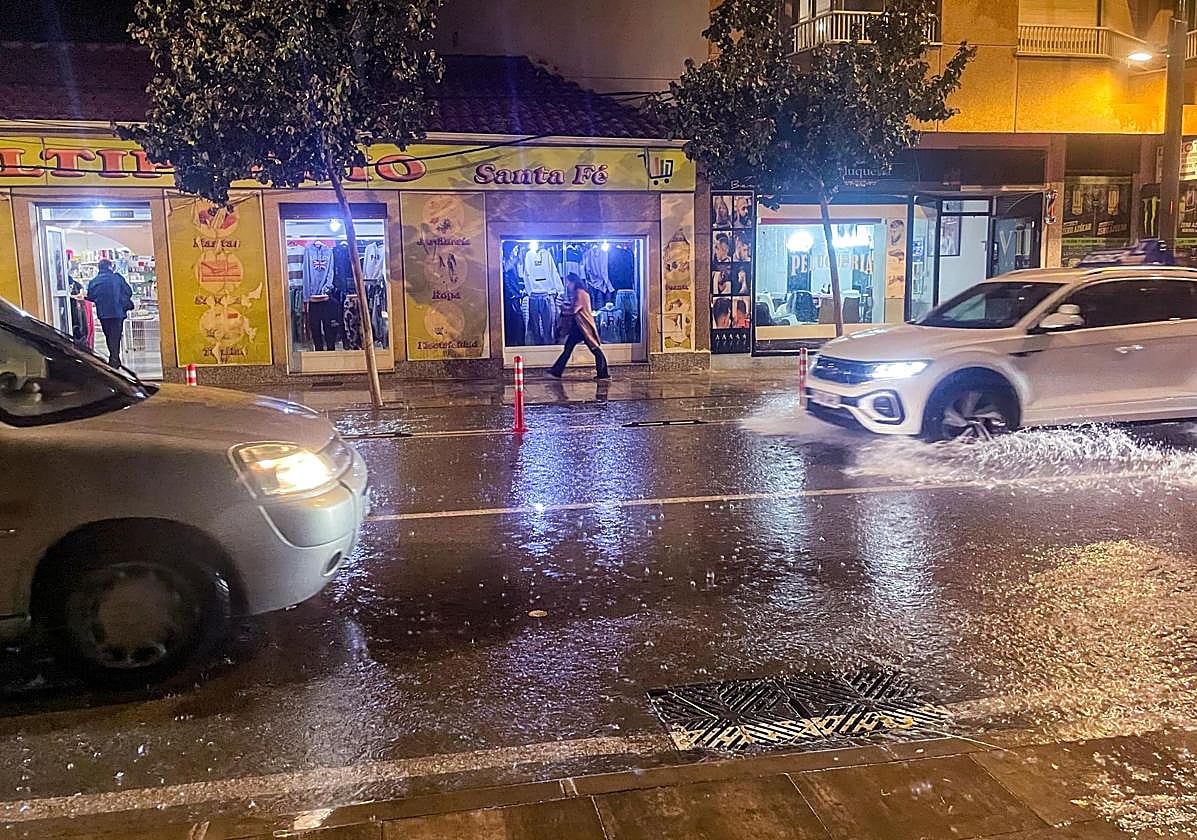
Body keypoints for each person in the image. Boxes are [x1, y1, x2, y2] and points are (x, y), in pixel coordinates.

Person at [549, 274, 609, 380]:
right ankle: (556, 371)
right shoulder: (580, 292)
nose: (567, 285)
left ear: (574, 282)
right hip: (579, 326)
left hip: (583, 327)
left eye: (568, 282)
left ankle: (603, 373)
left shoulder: (580, 293)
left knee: (595, 349)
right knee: (569, 348)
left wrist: (564, 309)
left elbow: (575, 309)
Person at [85, 259, 134, 368]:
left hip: (103, 313)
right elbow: (129, 291)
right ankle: (115, 358)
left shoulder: (94, 281)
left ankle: (114, 358)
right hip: (118, 312)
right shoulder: (117, 278)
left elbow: (90, 297)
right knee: (116, 335)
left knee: (108, 335)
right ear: (110, 267)